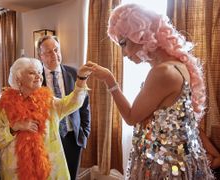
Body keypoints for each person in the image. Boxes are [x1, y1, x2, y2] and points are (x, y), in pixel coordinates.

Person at [88, 3, 215, 179]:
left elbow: (131, 117)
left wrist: (110, 81)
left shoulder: (162, 72)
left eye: (124, 43)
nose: (124, 54)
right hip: (178, 161)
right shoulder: (179, 66)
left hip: (164, 167)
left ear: (141, 35)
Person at [0, 57, 92, 180]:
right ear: (18, 79)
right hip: (16, 171)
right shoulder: (3, 107)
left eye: (39, 72)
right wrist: (14, 127)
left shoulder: (49, 101)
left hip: (49, 167)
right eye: (32, 73)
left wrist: (81, 79)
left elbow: (72, 103)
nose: (38, 76)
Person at [37, 35, 91, 179]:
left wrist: (84, 133)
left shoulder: (75, 74)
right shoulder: (35, 78)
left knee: (71, 176)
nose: (54, 54)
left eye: (56, 50)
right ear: (40, 56)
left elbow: (85, 106)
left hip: (73, 137)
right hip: (48, 139)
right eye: (48, 52)